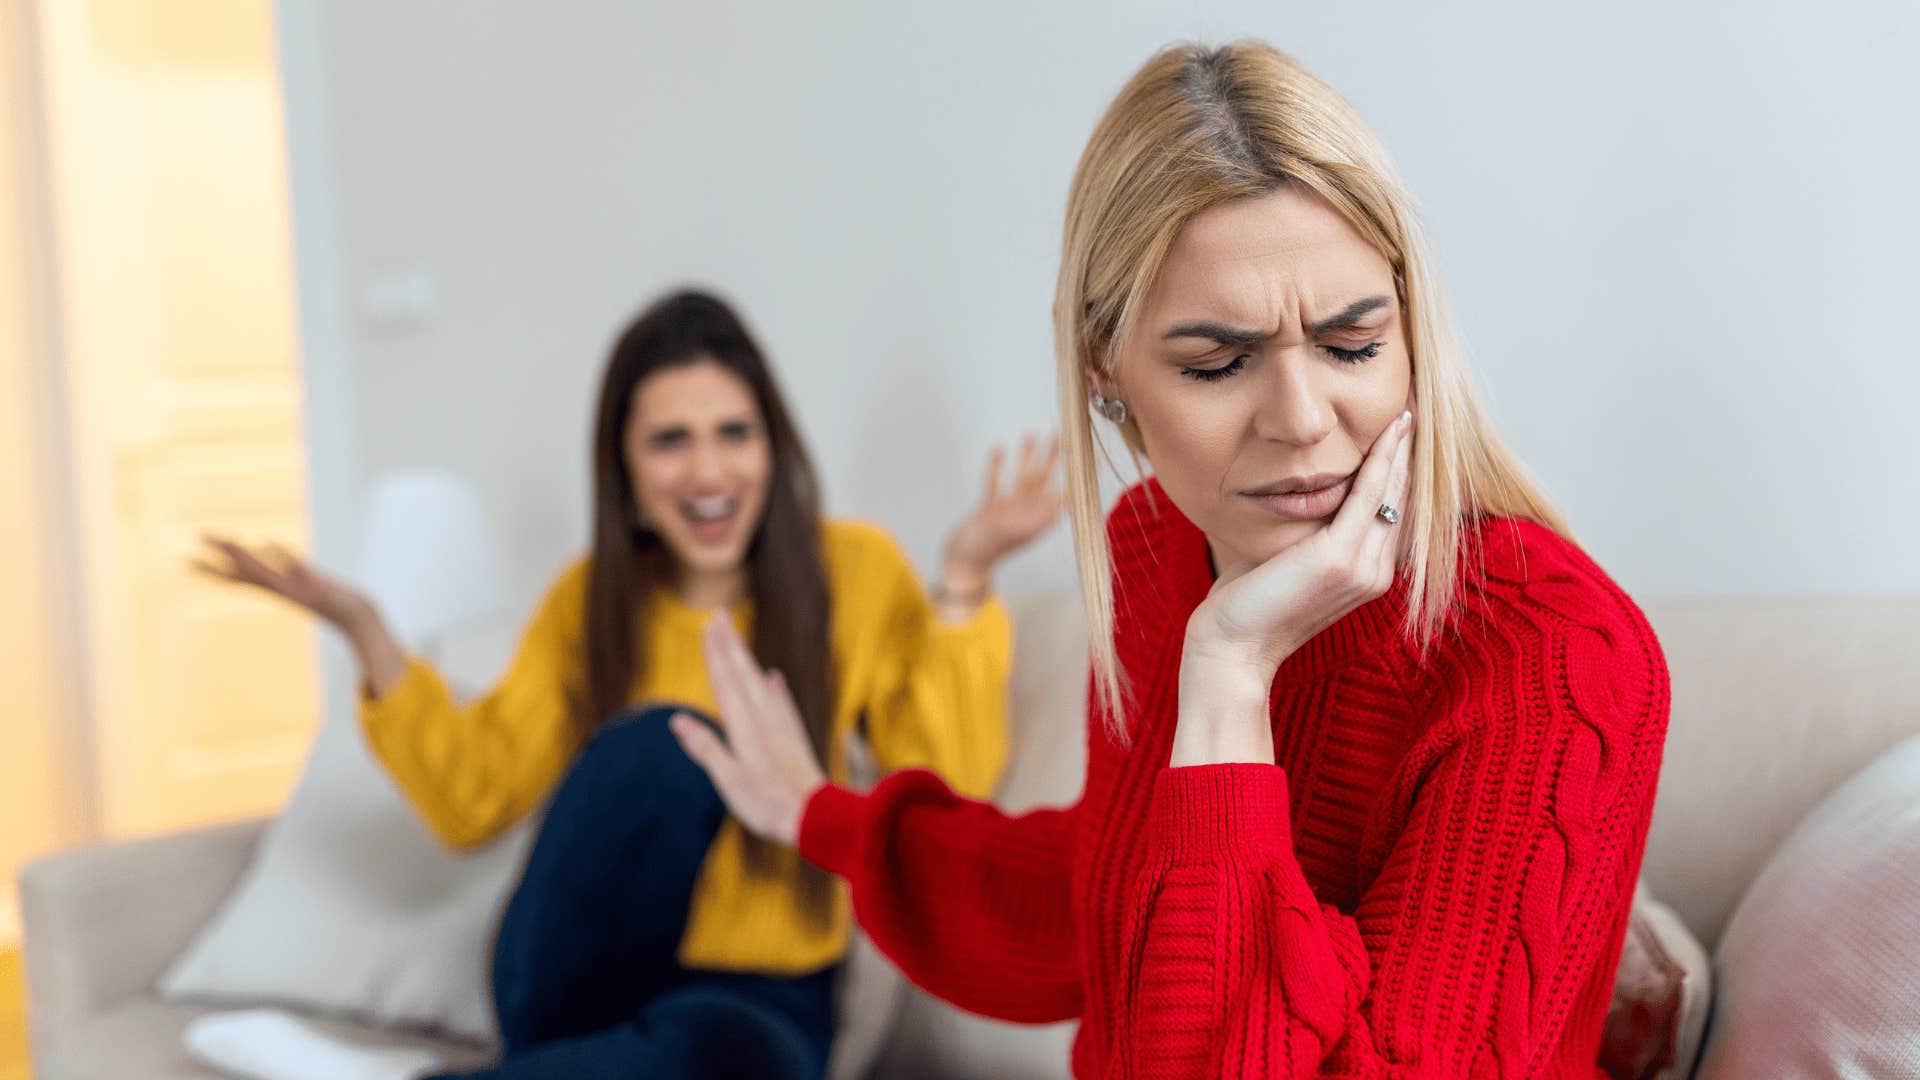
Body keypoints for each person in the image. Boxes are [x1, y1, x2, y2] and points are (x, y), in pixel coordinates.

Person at [673, 43, 1671, 1079]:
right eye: (1216, 362)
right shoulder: (1152, 548)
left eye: (1353, 346)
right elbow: (1105, 900)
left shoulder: (1551, 655)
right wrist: (822, 815)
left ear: (1416, 332)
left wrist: (1231, 679)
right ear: (1104, 364)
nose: (1300, 419)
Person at [197, 289, 1063, 1079]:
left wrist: (964, 579)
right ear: (628, 472)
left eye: (734, 432)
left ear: (773, 446)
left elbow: (951, 786)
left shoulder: (856, 572)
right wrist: (368, 634)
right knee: (666, 747)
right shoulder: (588, 601)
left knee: (713, 1056)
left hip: (758, 999)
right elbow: (474, 798)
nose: (709, 470)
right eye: (670, 440)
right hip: (571, 984)